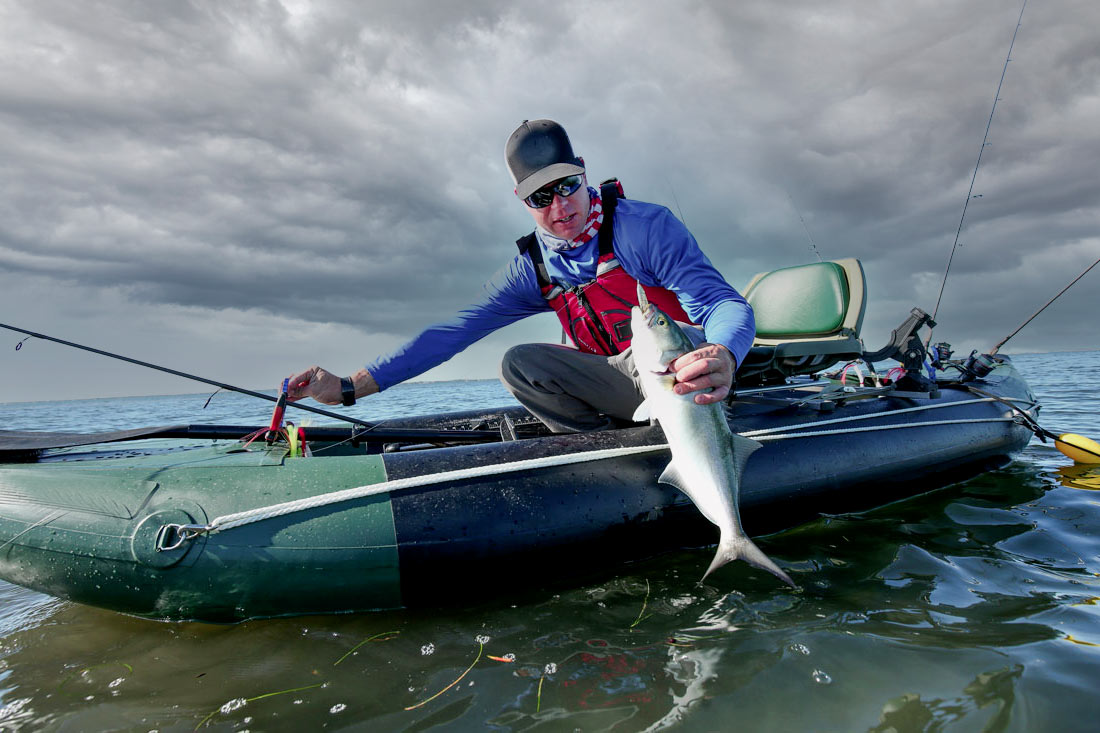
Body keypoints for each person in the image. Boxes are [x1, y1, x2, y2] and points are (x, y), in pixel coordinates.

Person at [287, 119, 755, 433]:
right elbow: (450, 334)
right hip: (621, 384)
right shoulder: (531, 268)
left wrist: (725, 354)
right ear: (520, 199)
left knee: (655, 342)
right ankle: (608, 457)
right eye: (540, 198)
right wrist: (349, 388)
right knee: (518, 363)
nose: (560, 207)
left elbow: (722, 304)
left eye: (568, 186)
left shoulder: (644, 228)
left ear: (583, 172)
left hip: (685, 378)